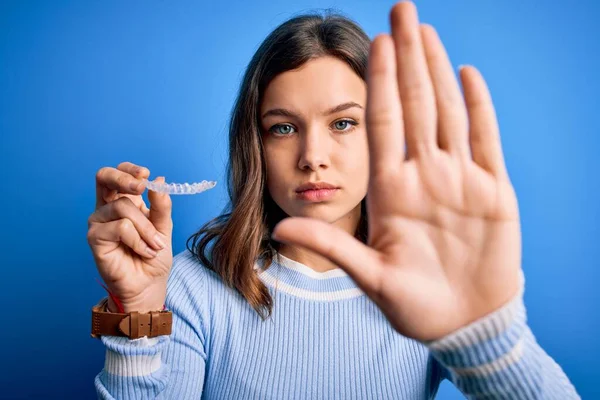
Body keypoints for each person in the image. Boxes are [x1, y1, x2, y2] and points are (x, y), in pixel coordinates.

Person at [87, 1, 581, 398]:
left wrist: (489, 337)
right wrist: (138, 315)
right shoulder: (195, 288)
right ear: (254, 145)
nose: (312, 157)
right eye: (283, 128)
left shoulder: (423, 281)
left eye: (343, 123)